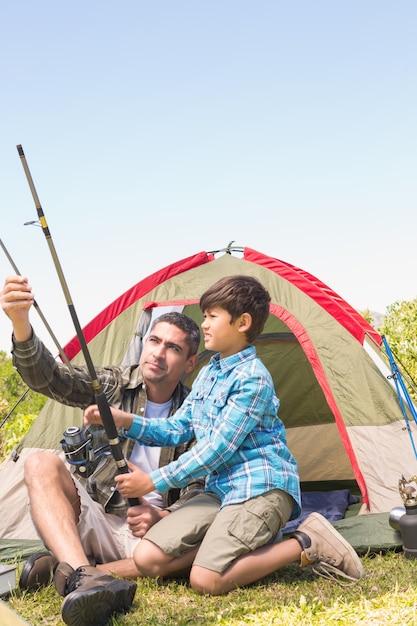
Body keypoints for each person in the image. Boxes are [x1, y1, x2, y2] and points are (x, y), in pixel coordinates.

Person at [84, 274, 364, 596]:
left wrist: (153, 481)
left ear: (242, 322)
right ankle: (249, 540)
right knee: (147, 558)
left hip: (260, 488)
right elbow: (178, 427)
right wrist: (125, 420)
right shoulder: (209, 373)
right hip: (220, 491)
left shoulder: (253, 379)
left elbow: (217, 449)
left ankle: (306, 540)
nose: (203, 324)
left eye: (211, 316)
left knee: (205, 581)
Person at [0, 274, 203, 626]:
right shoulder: (113, 383)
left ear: (190, 363)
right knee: (39, 463)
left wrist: (164, 518)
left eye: (173, 347)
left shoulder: (198, 415)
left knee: (205, 545)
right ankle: (84, 573)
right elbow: (52, 379)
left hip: (153, 536)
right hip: (97, 516)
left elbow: (201, 492)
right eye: (154, 340)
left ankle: (79, 572)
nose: (158, 352)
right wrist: (21, 324)